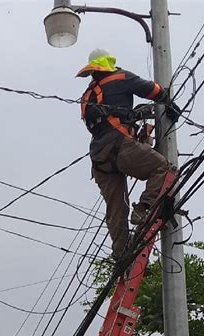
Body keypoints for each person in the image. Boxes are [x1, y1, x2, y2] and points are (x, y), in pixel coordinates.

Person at [77, 48, 179, 262]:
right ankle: (144, 209)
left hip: (99, 159)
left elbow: (103, 121)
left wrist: (133, 118)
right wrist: (168, 101)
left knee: (116, 209)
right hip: (120, 146)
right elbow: (153, 90)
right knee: (164, 169)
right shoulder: (121, 77)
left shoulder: (87, 96)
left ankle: (121, 253)